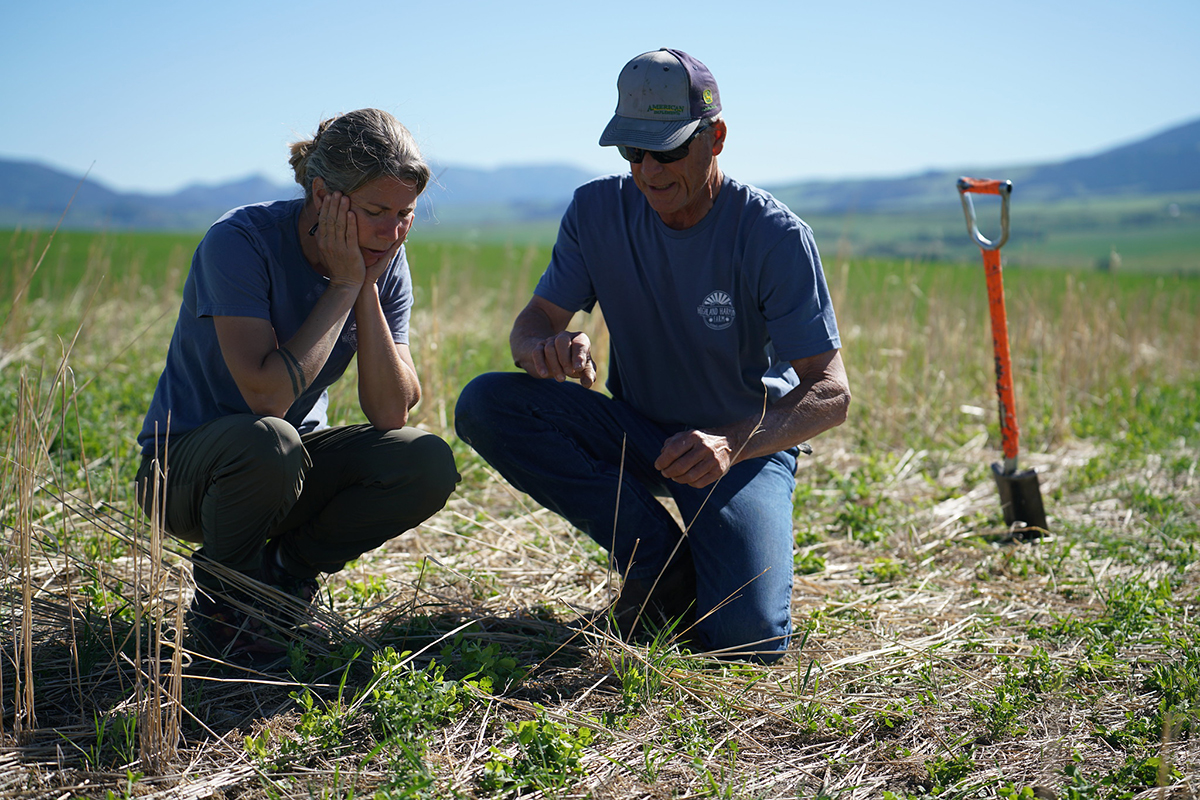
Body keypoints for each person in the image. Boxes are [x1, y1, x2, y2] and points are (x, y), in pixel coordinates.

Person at [454, 49, 850, 662]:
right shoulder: (594, 211)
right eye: (632, 152)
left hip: (739, 450)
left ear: (714, 137)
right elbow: (533, 323)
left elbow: (831, 392)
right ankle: (657, 562)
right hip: (636, 431)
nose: (648, 171)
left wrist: (729, 442)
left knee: (749, 644)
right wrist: (546, 349)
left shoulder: (774, 235)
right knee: (487, 403)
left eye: (666, 150)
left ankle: (703, 567)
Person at [136, 108, 460, 660]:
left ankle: (284, 578)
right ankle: (228, 599)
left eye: (405, 214)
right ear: (321, 194)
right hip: (187, 474)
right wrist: (343, 285)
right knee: (269, 437)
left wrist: (363, 289)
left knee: (424, 458)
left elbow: (391, 413)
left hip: (292, 466)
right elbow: (267, 397)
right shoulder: (240, 241)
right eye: (375, 211)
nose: (392, 231)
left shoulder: (386, 256)